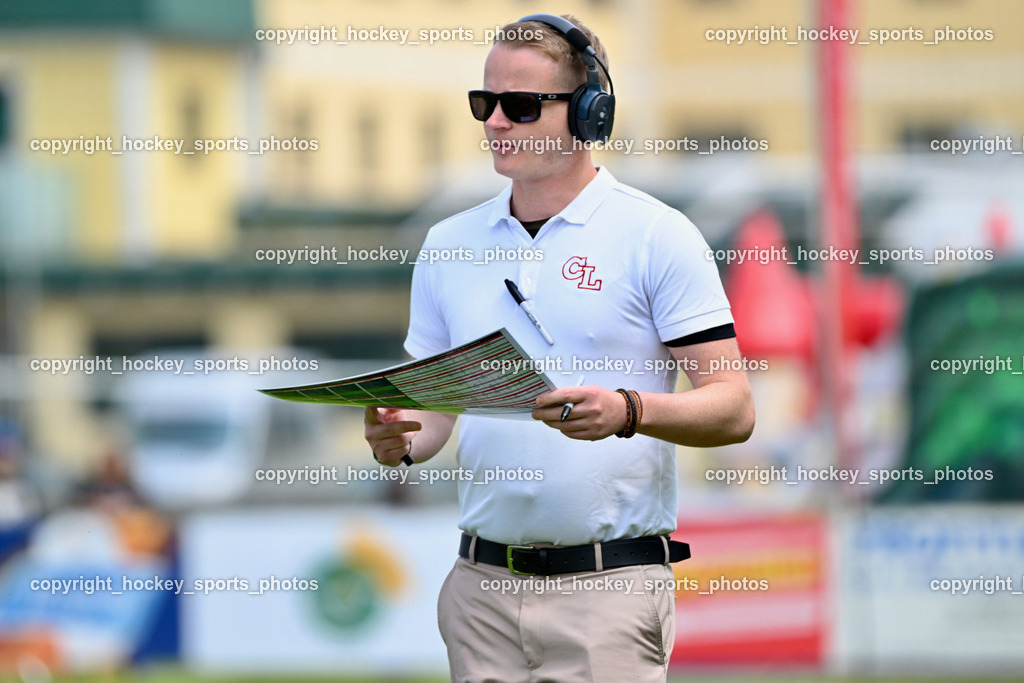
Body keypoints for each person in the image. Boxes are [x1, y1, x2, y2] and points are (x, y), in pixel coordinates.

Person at [365, 13, 754, 682]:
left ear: (588, 113)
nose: (494, 123)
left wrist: (629, 410)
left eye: (518, 106)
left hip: (608, 590)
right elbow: (434, 418)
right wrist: (395, 436)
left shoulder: (657, 234)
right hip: (479, 592)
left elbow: (735, 408)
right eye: (484, 103)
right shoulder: (446, 242)